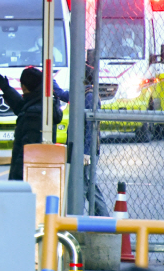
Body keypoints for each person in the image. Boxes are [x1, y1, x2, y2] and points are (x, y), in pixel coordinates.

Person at [54, 64, 110, 216]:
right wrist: (50, 80)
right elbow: (63, 94)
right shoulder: (83, 93)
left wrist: (86, 152)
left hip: (87, 150)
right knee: (86, 184)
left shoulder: (89, 96)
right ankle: (99, 217)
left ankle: (100, 217)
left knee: (87, 184)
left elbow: (91, 127)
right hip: (83, 148)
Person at [0, 66, 63, 181]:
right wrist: (7, 89)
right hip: (39, 171)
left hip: (27, 176)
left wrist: (16, 177)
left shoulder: (34, 114)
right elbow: (22, 106)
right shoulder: (43, 102)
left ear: (24, 86)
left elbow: (28, 150)